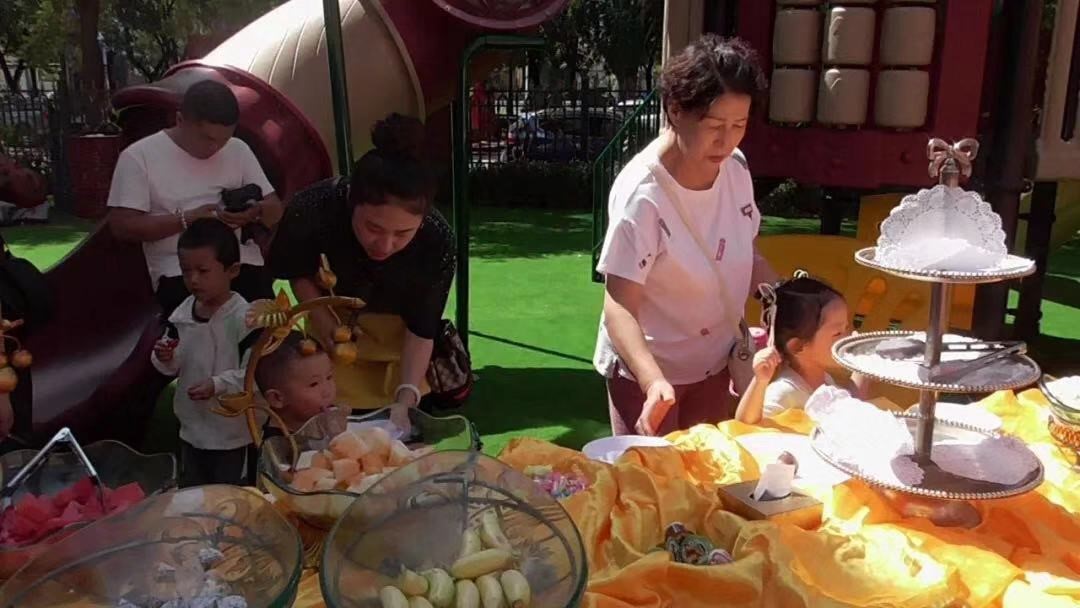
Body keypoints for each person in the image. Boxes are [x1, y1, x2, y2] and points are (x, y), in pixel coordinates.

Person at [595, 35, 778, 437]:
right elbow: (618, 305)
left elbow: (746, 252)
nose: (727, 141)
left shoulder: (736, 168)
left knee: (711, 469)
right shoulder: (642, 195)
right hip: (648, 375)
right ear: (675, 111)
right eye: (714, 126)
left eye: (739, 125)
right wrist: (651, 381)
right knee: (652, 474)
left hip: (716, 365)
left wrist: (782, 299)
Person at [269, 113, 455, 432]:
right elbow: (298, 271)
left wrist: (406, 397)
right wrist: (326, 323)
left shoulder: (436, 238)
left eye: (403, 234)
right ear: (351, 201)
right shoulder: (313, 208)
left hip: (400, 353)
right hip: (332, 347)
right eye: (373, 228)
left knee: (399, 442)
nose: (385, 245)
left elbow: (422, 328)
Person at [107, 79, 283, 317]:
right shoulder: (139, 157)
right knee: (204, 327)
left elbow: (275, 209)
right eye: (207, 138)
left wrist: (254, 212)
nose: (215, 148)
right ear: (180, 120)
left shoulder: (237, 149)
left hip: (238, 265)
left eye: (224, 139)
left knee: (269, 326)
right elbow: (122, 226)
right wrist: (187, 219)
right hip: (182, 272)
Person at [151, 218, 262, 487]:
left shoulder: (246, 319)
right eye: (186, 271)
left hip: (234, 435)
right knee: (193, 493)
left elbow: (256, 374)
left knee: (229, 496)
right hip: (192, 429)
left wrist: (218, 384)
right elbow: (174, 360)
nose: (193, 280)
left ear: (232, 270)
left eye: (203, 271)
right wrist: (165, 356)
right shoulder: (182, 314)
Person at [735, 276, 870, 424]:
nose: (848, 338)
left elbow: (851, 408)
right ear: (797, 346)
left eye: (847, 328)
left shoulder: (825, 380)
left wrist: (864, 365)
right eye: (838, 333)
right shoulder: (785, 392)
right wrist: (760, 382)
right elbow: (746, 426)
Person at [254, 331, 337, 434]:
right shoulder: (276, 441)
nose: (327, 391)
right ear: (277, 398)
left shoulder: (331, 417)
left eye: (329, 377)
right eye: (314, 384)